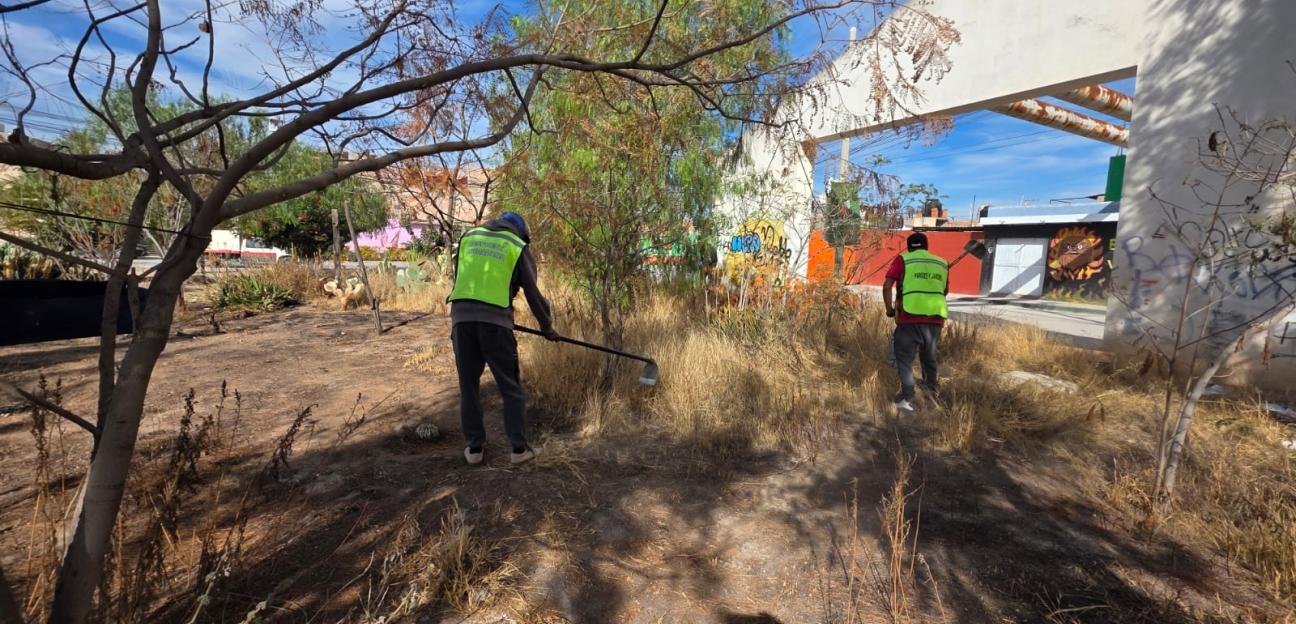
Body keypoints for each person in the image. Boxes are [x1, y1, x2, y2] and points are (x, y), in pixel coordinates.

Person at [447, 211, 558, 466]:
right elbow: (531, 291)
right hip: (495, 325)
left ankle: (474, 449)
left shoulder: (469, 237)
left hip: (461, 321)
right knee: (510, 387)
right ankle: (519, 450)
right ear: (522, 232)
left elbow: (467, 280)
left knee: (468, 386)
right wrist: (547, 327)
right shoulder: (516, 244)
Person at [882, 232, 949, 414]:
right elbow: (944, 290)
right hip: (935, 319)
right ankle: (931, 393)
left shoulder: (903, 259)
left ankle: (908, 399)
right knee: (929, 357)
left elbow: (887, 286)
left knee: (904, 359)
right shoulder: (941, 262)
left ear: (909, 247)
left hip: (910, 317)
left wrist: (889, 309)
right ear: (926, 246)